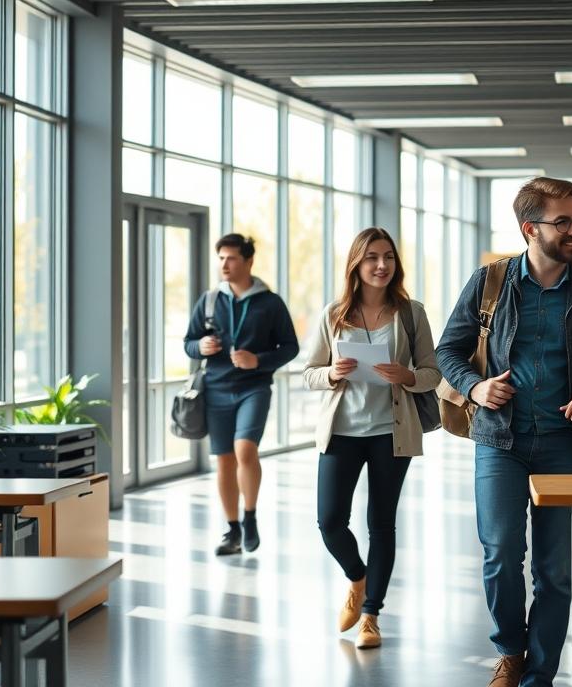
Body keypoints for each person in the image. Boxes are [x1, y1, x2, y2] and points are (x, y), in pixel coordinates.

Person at [435, 177, 572, 687]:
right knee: (501, 551)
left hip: (565, 447)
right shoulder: (490, 283)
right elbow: (447, 351)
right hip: (499, 442)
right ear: (530, 229)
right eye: (563, 221)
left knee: (555, 570)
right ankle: (510, 650)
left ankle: (539, 674)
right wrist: (476, 388)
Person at [303, 227, 440, 650]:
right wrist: (331, 374)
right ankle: (357, 578)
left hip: (390, 434)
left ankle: (370, 615)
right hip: (342, 432)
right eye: (372, 258)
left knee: (381, 524)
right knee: (330, 522)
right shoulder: (333, 314)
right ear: (356, 265)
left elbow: (434, 373)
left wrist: (409, 377)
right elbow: (309, 373)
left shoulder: (411, 313)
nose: (382, 265)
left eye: (388, 257)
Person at [183, 234, 299, 556]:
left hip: (254, 388)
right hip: (216, 389)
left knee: (245, 450)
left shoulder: (270, 302)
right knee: (224, 461)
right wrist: (200, 347)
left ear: (248, 261)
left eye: (231, 258)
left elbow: (291, 347)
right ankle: (232, 530)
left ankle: (250, 517)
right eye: (221, 257)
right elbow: (189, 341)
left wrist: (258, 360)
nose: (224, 264)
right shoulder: (209, 300)